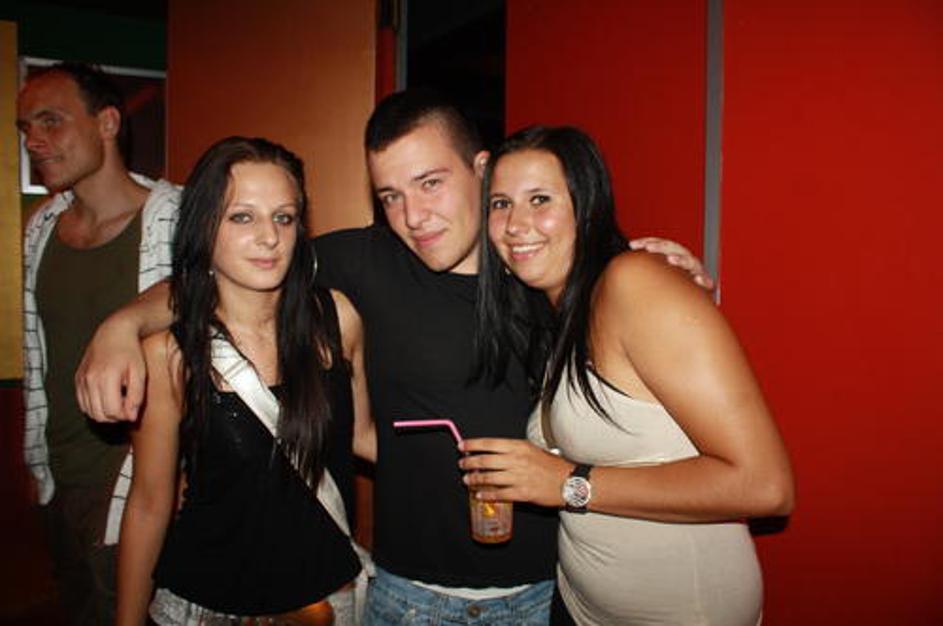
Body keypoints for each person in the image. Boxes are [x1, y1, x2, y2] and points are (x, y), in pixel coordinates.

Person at [76, 90, 711, 625]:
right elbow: (231, 273)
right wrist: (121, 325)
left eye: (430, 183)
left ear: (483, 169)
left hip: (546, 590)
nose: (414, 216)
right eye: (390, 196)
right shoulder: (366, 263)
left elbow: (632, 310)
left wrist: (654, 269)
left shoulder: (544, 272)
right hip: (407, 597)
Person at [461, 125, 795, 625]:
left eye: (540, 199)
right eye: (501, 204)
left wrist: (569, 484)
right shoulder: (558, 314)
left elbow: (766, 487)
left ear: (587, 206)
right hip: (580, 607)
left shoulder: (631, 283)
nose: (515, 224)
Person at [116, 136, 373, 625]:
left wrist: (465, 453)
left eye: (284, 217)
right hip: (205, 608)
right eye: (241, 217)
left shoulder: (337, 319)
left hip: (326, 606)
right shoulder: (169, 355)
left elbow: (362, 437)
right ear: (204, 226)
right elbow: (149, 503)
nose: (269, 236)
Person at [17, 61, 181, 625]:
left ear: (107, 123)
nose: (33, 140)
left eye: (51, 121)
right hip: (59, 478)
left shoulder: (178, 217)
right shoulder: (42, 227)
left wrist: (124, 322)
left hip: (140, 488)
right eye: (26, 128)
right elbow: (40, 358)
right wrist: (42, 466)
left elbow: (210, 288)